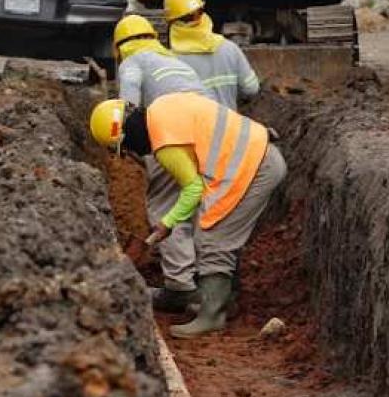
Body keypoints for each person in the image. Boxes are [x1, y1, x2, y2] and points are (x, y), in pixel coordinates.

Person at [89, 93, 287, 338]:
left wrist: (167, 222)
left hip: (253, 167)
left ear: (126, 136)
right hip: (260, 153)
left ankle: (211, 316)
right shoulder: (162, 108)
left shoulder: (164, 144)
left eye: (124, 148)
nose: (130, 154)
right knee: (218, 230)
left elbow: (193, 189)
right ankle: (224, 299)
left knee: (213, 234)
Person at [113, 14, 212, 314]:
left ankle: (180, 286)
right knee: (197, 199)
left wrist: (118, 141)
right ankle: (210, 279)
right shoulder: (174, 62)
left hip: (173, 133)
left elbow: (128, 106)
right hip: (210, 130)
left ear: (120, 46)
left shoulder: (133, 63)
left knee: (166, 203)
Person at [164, 0, 260, 110]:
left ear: (172, 22)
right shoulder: (230, 49)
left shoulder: (170, 61)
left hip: (194, 127)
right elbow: (251, 89)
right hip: (229, 125)